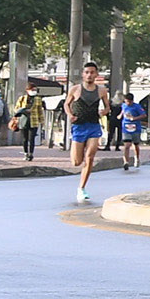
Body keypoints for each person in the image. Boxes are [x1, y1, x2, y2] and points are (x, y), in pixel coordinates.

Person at [65, 61, 107, 203]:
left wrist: (104, 112)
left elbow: (107, 107)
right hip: (79, 126)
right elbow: (66, 104)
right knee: (76, 162)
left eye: (92, 72)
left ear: (96, 75)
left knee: (89, 157)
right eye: (87, 72)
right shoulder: (75, 89)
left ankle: (81, 188)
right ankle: (76, 149)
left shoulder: (101, 91)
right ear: (83, 74)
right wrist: (70, 115)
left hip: (94, 126)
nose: (89, 75)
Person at [119, 91, 145, 171]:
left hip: (135, 127)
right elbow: (123, 111)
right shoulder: (123, 105)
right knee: (127, 145)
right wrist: (120, 115)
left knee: (135, 144)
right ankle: (126, 162)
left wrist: (135, 118)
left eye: (129, 102)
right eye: (126, 101)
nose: (127, 103)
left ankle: (136, 158)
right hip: (126, 128)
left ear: (132, 101)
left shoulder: (137, 107)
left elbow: (143, 115)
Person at [12, 87, 37, 160]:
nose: (34, 91)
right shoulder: (22, 98)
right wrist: (24, 110)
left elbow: (40, 111)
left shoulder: (38, 99)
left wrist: (41, 122)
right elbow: (16, 109)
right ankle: (25, 153)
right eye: (32, 90)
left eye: (35, 90)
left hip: (34, 121)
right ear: (27, 90)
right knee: (25, 138)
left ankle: (31, 154)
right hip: (23, 120)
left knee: (32, 138)